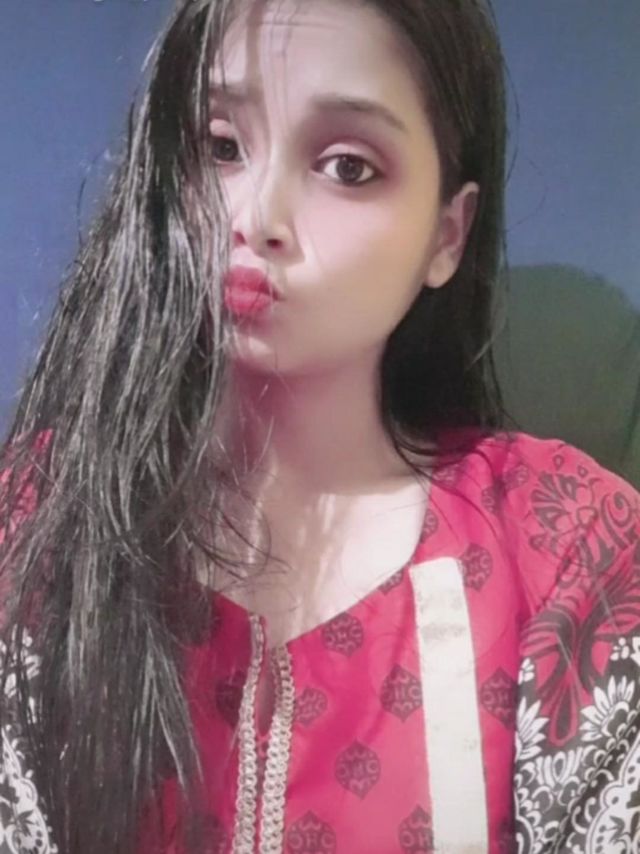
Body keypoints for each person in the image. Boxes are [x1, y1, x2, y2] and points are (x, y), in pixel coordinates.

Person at [1, 0, 639, 852]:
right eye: (220, 147)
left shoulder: (568, 548)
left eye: (347, 166)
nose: (256, 216)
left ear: (446, 236)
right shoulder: (35, 520)